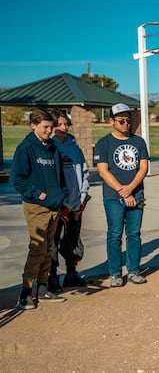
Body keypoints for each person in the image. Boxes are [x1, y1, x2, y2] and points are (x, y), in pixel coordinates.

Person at [12, 109, 68, 309]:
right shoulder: (25, 148)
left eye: (51, 127)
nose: (49, 130)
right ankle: (25, 293)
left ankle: (43, 289)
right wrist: (39, 194)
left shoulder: (52, 146)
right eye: (45, 127)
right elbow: (17, 180)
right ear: (33, 125)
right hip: (36, 207)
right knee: (37, 248)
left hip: (54, 205)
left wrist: (61, 195)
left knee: (48, 249)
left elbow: (59, 175)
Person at [95, 103, 149, 287]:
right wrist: (122, 191)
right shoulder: (104, 143)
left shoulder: (139, 142)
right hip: (113, 196)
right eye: (121, 121)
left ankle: (133, 270)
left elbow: (143, 167)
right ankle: (115, 273)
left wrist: (131, 188)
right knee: (115, 234)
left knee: (134, 234)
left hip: (136, 194)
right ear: (111, 121)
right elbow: (103, 171)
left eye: (128, 120)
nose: (126, 124)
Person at [48, 110, 90, 292]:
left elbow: (84, 170)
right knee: (53, 241)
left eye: (66, 124)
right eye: (60, 124)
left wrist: (83, 192)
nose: (64, 128)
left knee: (73, 240)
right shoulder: (49, 146)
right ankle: (52, 277)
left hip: (75, 202)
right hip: (58, 204)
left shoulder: (73, 144)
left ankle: (71, 273)